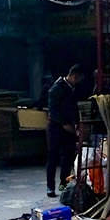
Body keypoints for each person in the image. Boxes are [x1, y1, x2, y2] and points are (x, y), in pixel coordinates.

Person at [46, 65, 84, 198]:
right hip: (56, 128)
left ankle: (64, 184)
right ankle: (50, 187)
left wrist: (78, 125)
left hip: (69, 129)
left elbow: (75, 110)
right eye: (78, 79)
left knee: (67, 157)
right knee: (53, 157)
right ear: (74, 76)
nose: (78, 82)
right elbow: (53, 111)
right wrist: (64, 124)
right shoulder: (55, 89)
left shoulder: (72, 89)